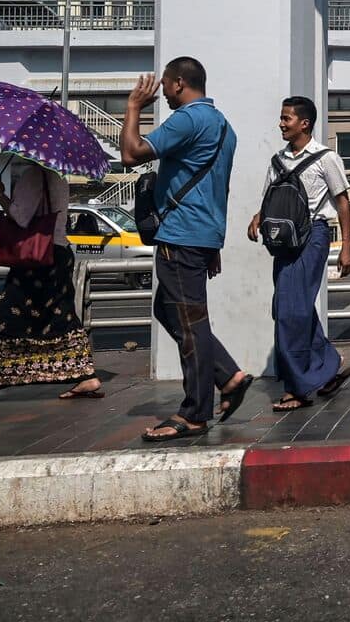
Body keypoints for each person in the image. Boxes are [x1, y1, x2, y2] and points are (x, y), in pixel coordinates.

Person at [120, 58, 252, 441]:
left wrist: (132, 107)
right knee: (169, 309)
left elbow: (132, 154)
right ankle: (228, 377)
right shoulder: (225, 127)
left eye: (164, 84)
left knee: (190, 324)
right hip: (202, 234)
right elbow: (220, 188)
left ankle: (194, 412)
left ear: (179, 83)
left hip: (180, 235)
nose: (160, 91)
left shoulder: (188, 119)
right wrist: (214, 241)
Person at [0, 165, 102, 405]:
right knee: (61, 318)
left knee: (7, 318)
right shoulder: (57, 176)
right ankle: (86, 375)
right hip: (58, 253)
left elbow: (21, 217)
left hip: (37, 261)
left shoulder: (34, 174)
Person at [248, 96, 350, 411]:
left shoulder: (326, 158)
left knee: (290, 311)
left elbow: (343, 201)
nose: (281, 124)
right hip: (282, 240)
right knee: (291, 307)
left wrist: (346, 246)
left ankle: (296, 387)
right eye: (281, 118)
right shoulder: (277, 160)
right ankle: (327, 367)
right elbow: (270, 198)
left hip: (315, 236)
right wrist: (257, 218)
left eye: (287, 119)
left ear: (304, 123)